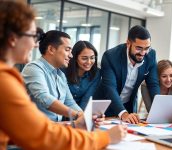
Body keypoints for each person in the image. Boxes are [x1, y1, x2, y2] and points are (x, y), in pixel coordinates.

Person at [0, 1, 126, 149]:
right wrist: (104, 137)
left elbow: (68, 101)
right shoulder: (7, 78)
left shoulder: (59, 74)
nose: (35, 44)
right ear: (13, 39)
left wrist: (83, 116)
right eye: (32, 36)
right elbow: (43, 130)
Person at [93, 25, 160, 124]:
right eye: (139, 48)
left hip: (129, 106)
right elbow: (110, 88)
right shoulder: (110, 56)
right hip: (106, 107)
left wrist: (159, 110)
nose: (143, 53)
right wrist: (123, 113)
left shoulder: (151, 55)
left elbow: (153, 84)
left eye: (147, 48)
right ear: (128, 43)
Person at [21, 30, 84, 122]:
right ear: (51, 49)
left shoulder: (61, 75)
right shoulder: (34, 68)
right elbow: (44, 98)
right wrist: (77, 115)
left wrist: (85, 117)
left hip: (55, 127)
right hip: (34, 128)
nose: (71, 55)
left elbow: (69, 102)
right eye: (67, 50)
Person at [64, 40, 100, 110]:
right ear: (75, 58)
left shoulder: (96, 73)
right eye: (84, 58)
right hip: (61, 111)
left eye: (92, 58)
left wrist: (81, 116)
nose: (89, 62)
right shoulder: (63, 70)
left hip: (80, 112)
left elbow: (86, 99)